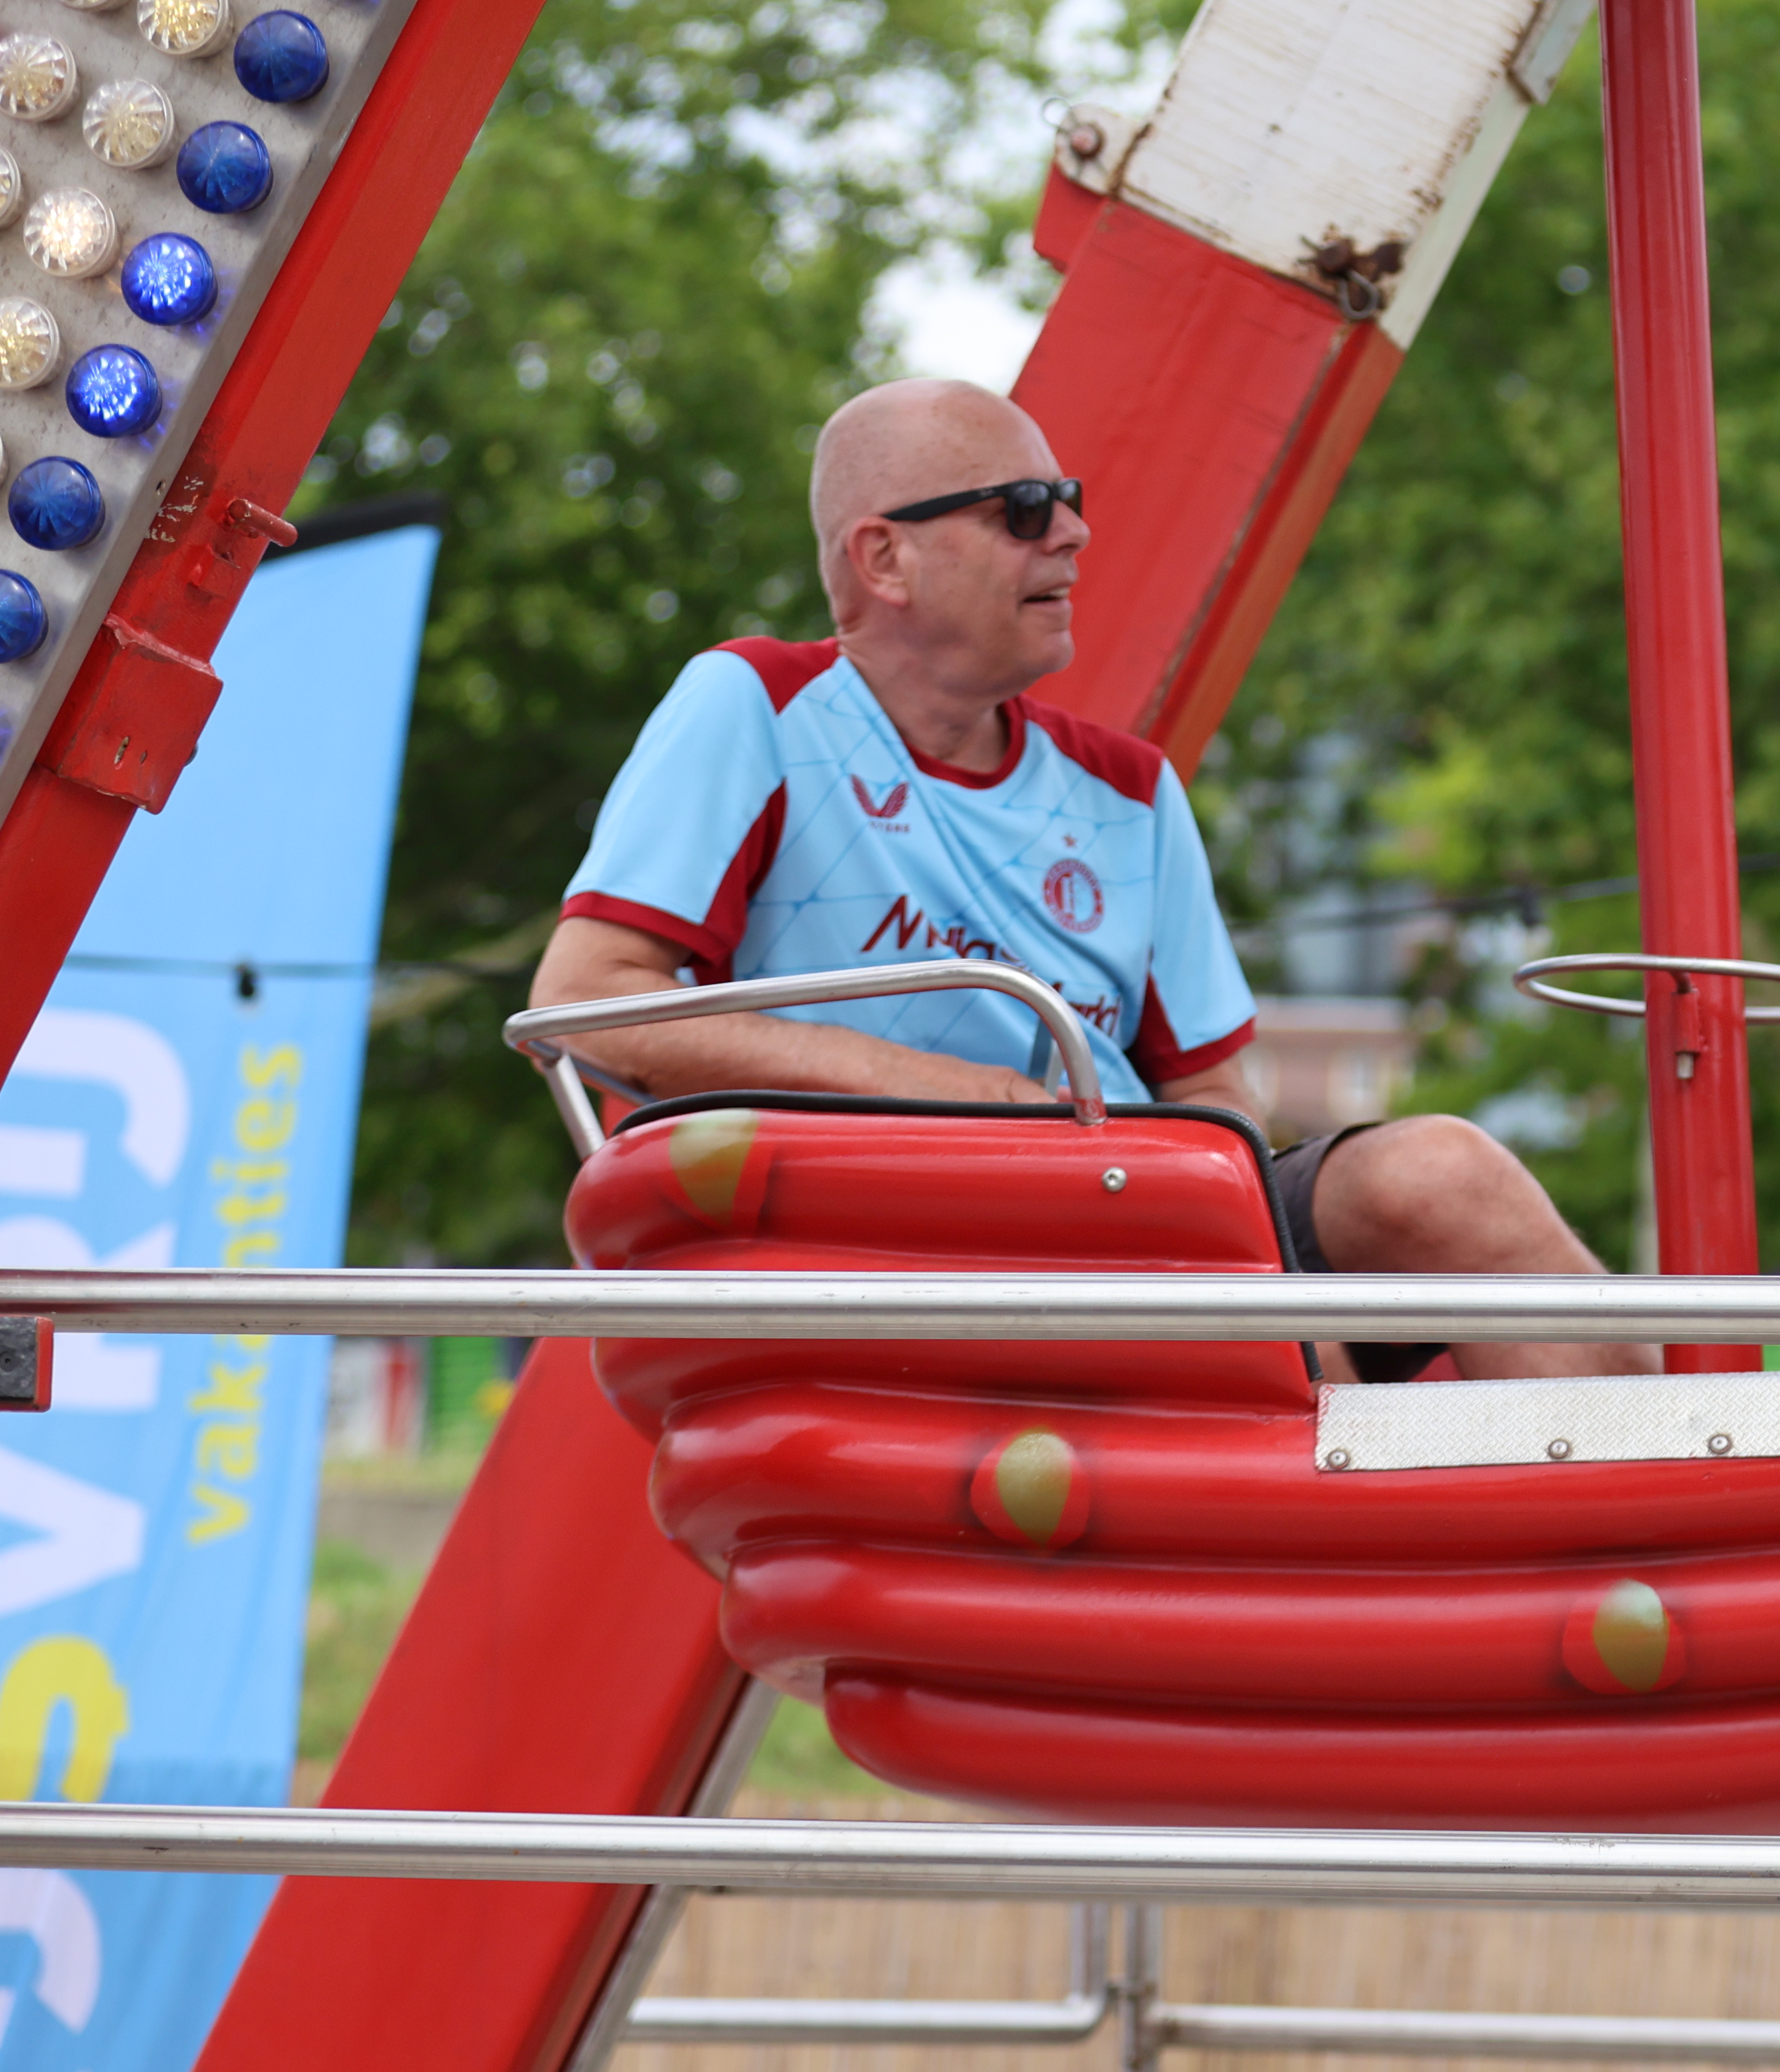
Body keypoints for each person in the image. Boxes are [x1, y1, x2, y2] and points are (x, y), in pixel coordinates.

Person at [526, 376, 1649, 1383]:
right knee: (1269, 1338)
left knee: (1443, 1174)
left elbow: (1214, 1102)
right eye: (1023, 509)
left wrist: (1190, 1227)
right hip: (892, 1234)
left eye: (1068, 500)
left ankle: (1653, 1516)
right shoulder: (758, 705)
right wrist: (969, 1102)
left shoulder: (1130, 789)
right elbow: (584, 1000)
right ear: (883, 558)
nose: (1073, 532)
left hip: (1135, 1218)